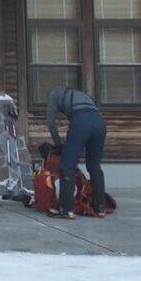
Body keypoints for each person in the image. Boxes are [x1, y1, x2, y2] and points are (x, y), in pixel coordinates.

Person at [46, 85, 108, 219]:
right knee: (94, 166)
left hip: (81, 122)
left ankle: (66, 209)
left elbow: (51, 122)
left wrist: (59, 145)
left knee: (67, 166)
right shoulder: (82, 94)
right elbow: (92, 110)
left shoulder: (53, 94)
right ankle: (100, 208)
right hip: (100, 122)